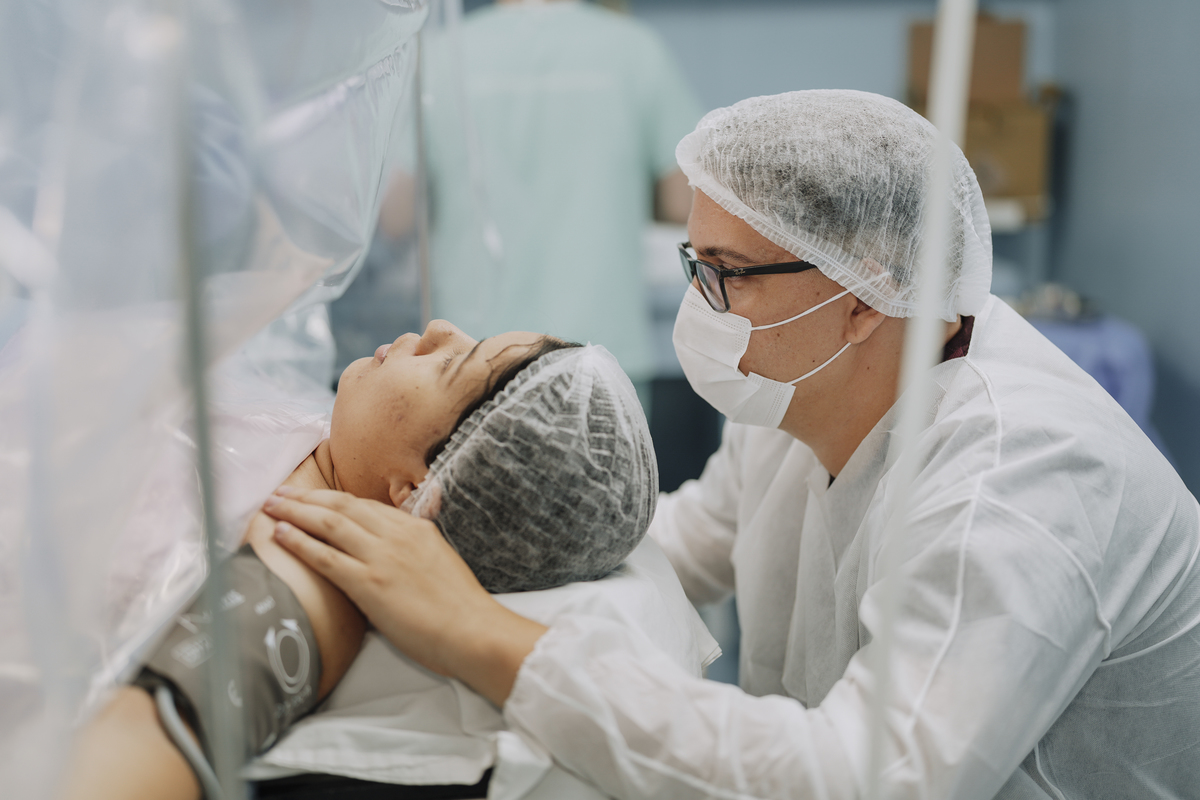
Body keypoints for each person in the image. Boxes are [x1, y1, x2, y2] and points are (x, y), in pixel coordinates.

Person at [267, 90, 1200, 799]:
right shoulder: (799, 401)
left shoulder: (1018, 476)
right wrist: (450, 538)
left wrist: (477, 635)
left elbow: (873, 776)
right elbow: (685, 540)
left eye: (726, 274)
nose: (697, 305)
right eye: (694, 262)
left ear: (864, 296)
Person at [60, 321, 657, 800]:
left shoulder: (306, 568)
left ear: (420, 489)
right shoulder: (321, 440)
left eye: (451, 365)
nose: (438, 330)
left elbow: (135, 754)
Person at [415, 0, 701, 405]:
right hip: (599, 349)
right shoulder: (632, 48)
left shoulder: (441, 52)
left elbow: (396, 213)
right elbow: (683, 201)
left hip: (472, 356)